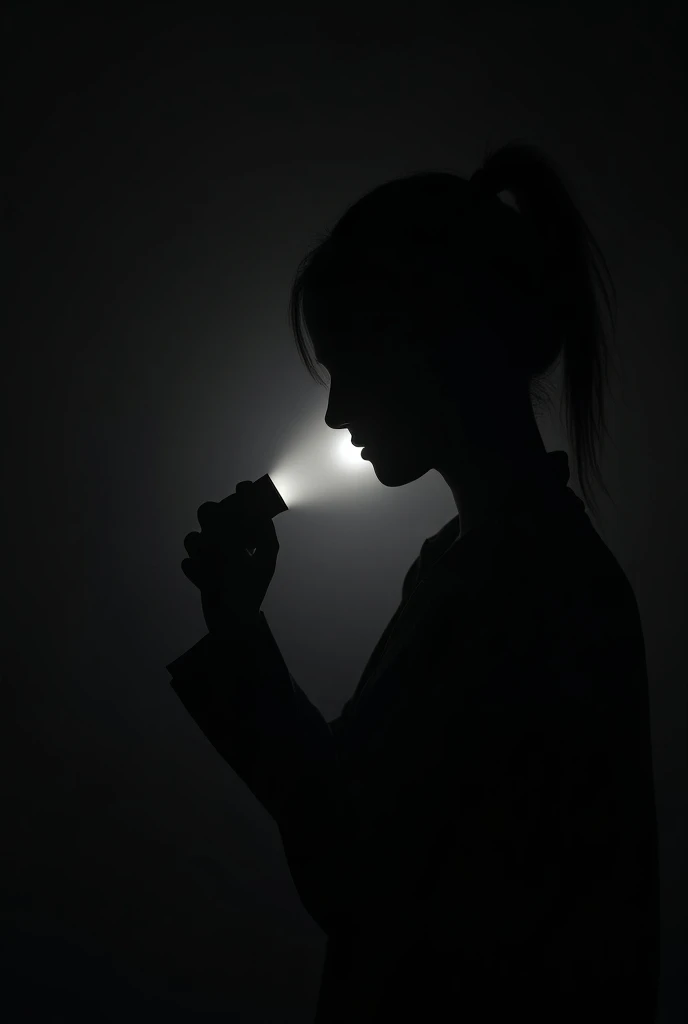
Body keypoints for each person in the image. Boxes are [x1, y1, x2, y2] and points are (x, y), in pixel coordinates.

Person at [167, 140, 660, 1022]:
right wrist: (238, 626)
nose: (334, 411)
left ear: (435, 339)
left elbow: (358, 870)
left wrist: (241, 643)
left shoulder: (532, 595)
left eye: (350, 365)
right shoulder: (472, 570)